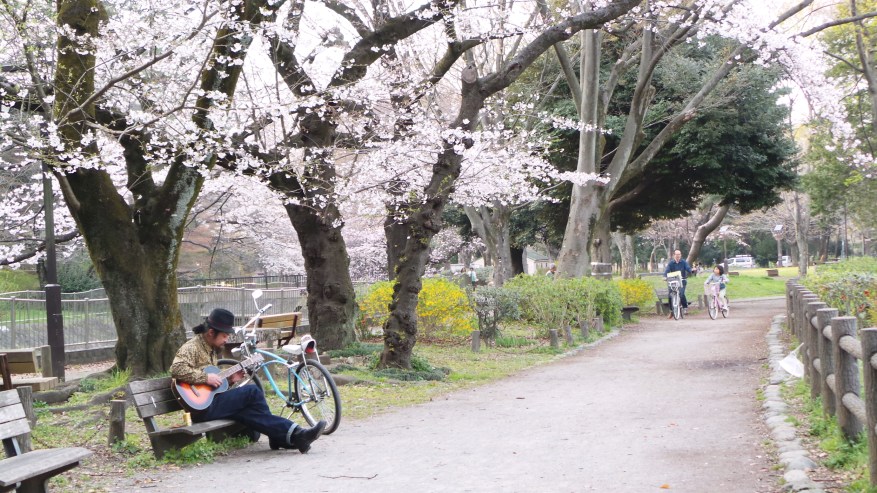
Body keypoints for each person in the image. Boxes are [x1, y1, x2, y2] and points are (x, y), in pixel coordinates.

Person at [170, 308, 326, 453]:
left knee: (250, 412)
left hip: (211, 403)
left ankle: (295, 436)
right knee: (252, 392)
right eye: (224, 336)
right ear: (211, 332)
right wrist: (206, 377)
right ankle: (281, 437)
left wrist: (230, 380)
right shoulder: (192, 347)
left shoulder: (211, 349)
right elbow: (176, 369)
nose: (227, 339)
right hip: (200, 410)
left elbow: (211, 387)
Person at [663, 249, 692, 318]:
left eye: (679, 254)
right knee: (670, 295)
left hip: (682, 280)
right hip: (673, 281)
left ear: (681, 255)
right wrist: (664, 277)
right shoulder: (671, 263)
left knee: (681, 294)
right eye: (676, 254)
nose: (678, 256)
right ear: (674, 255)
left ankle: (685, 307)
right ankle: (671, 311)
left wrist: (691, 270)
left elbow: (688, 268)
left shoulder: (684, 262)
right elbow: (667, 270)